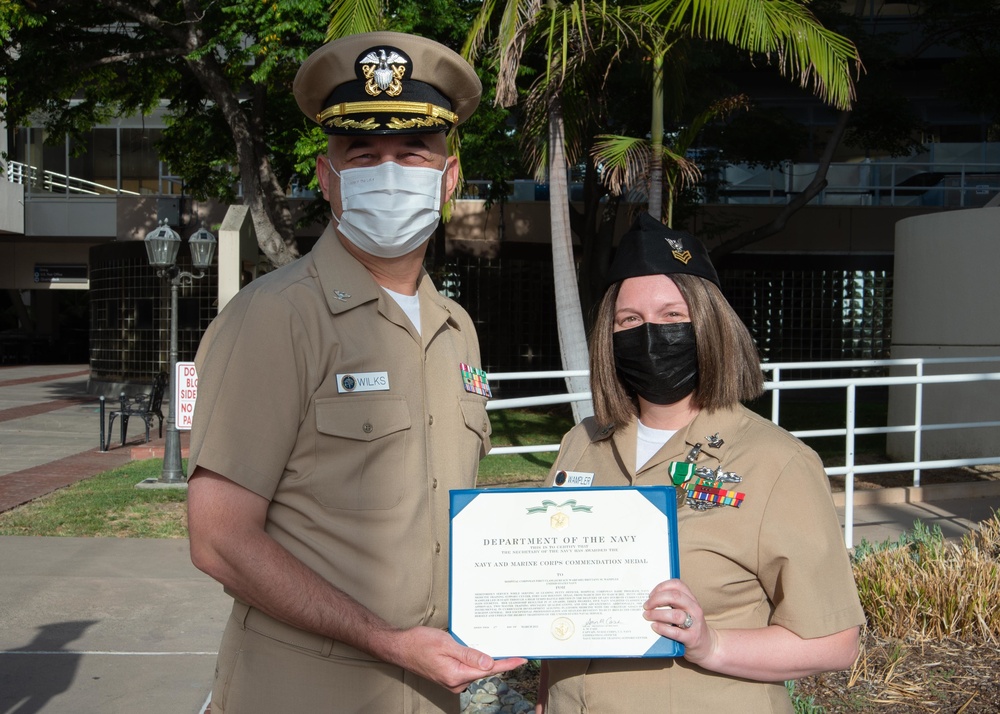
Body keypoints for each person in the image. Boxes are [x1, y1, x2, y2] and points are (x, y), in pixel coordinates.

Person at [186, 31, 524, 714]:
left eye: (411, 154)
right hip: (304, 691)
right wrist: (389, 640)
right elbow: (219, 537)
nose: (390, 172)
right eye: (363, 156)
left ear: (450, 176)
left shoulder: (456, 329)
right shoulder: (275, 317)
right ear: (327, 177)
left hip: (432, 691)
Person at [535, 212, 865, 713]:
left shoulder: (777, 463)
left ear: (709, 325)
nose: (649, 334)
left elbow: (835, 642)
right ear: (609, 333)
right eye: (630, 320)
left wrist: (712, 644)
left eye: (672, 316)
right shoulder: (581, 444)